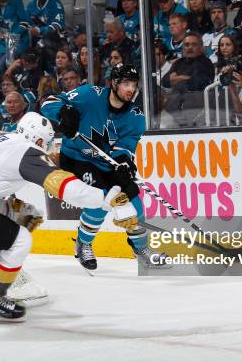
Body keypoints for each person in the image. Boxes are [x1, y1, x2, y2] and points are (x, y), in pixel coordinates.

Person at [0, 111, 138, 321]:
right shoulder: (26, 151)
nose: (49, 150)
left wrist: (9, 209)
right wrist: (108, 199)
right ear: (40, 141)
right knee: (20, 239)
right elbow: (65, 189)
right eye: (48, 143)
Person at [41, 63, 165, 270]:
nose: (130, 89)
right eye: (125, 83)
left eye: (134, 84)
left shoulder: (136, 117)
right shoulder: (90, 94)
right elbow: (48, 103)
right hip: (77, 157)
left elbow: (125, 147)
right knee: (101, 198)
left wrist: (124, 163)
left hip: (107, 163)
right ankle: (83, 244)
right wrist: (64, 113)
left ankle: (141, 250)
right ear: (113, 83)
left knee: (136, 205)